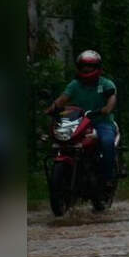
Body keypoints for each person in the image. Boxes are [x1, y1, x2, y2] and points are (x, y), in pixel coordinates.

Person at [44, 50, 118, 189]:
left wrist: (106, 108)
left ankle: (107, 178)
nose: (86, 69)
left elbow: (111, 99)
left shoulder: (106, 84)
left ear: (98, 67)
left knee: (107, 142)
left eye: (90, 66)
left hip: (101, 122)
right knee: (62, 143)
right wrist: (51, 109)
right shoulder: (74, 85)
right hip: (77, 122)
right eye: (84, 66)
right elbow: (62, 99)